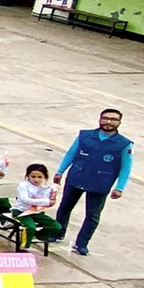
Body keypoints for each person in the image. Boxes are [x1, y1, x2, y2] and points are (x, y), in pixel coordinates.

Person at [53, 108, 131, 256]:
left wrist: (119, 187)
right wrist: (60, 171)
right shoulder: (85, 136)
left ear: (120, 122)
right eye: (105, 118)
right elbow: (71, 153)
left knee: (92, 215)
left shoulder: (124, 144)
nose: (108, 121)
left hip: (100, 182)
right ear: (99, 119)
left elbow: (125, 168)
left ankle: (82, 243)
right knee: (65, 207)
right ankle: (57, 233)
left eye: (113, 119)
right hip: (77, 177)